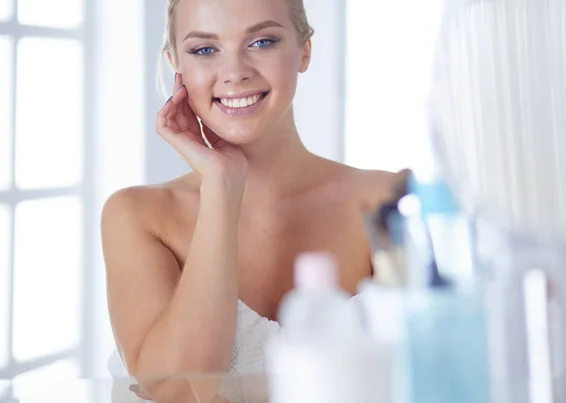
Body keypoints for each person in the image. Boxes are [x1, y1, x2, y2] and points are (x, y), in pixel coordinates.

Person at [101, 0, 409, 401]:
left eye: (262, 41)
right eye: (205, 50)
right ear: (175, 64)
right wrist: (220, 185)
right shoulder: (138, 216)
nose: (234, 73)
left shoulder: (388, 200)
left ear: (304, 51)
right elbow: (178, 393)